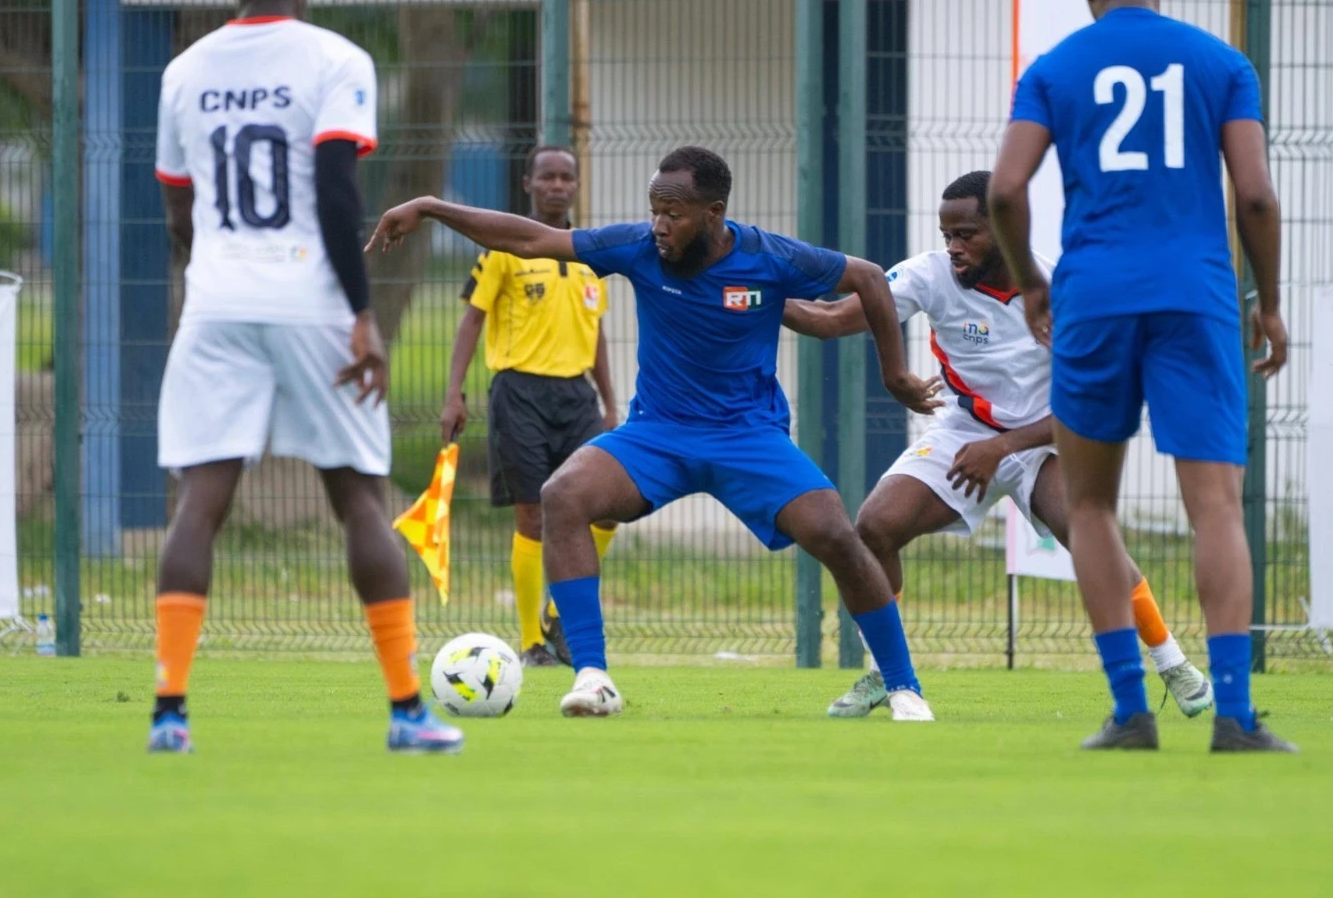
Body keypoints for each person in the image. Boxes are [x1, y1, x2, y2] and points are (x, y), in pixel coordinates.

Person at [369, 145, 943, 720]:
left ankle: (902, 686)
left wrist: (894, 374)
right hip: (657, 434)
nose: (659, 226)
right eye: (654, 210)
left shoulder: (769, 256)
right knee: (562, 495)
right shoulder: (638, 249)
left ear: (714, 213)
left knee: (836, 533)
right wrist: (431, 206)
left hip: (748, 437)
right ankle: (593, 678)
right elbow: (529, 240)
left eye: (673, 213)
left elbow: (868, 278)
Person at [148, 0, 461, 755]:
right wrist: (361, 315)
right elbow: (333, 194)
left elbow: (178, 204)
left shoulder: (184, 72)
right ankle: (405, 712)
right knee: (356, 495)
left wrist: (214, 270)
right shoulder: (336, 61)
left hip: (216, 303)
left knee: (199, 502)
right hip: (313, 300)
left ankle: (170, 713)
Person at [988, 0, 1295, 752]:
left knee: (1089, 504)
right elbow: (1257, 196)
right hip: (1196, 296)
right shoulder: (1221, 64)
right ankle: (1233, 715)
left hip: (1093, 298)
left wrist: (1031, 283)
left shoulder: (1053, 70)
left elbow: (1006, 190)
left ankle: (1131, 711)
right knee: (1217, 506)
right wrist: (1267, 299)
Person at [785, 171, 1212, 718]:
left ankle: (1173, 663)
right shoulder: (929, 274)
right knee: (873, 528)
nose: (953, 248)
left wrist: (1006, 447)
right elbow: (832, 318)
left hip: (1045, 439)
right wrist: (754, 297)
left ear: (1007, 229)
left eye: (967, 235)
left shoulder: (1061, 294)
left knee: (1090, 536)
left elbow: (1094, 406)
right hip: (963, 432)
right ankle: (885, 673)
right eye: (947, 236)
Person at [440, 145, 622, 667]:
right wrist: (454, 392)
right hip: (519, 392)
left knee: (607, 508)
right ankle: (530, 642)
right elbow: (472, 318)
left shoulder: (590, 255)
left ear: (577, 185)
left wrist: (609, 403)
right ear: (528, 185)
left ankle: (559, 614)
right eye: (547, 177)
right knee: (532, 517)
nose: (557, 185)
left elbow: (597, 335)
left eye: (567, 176)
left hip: (577, 396)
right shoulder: (504, 248)